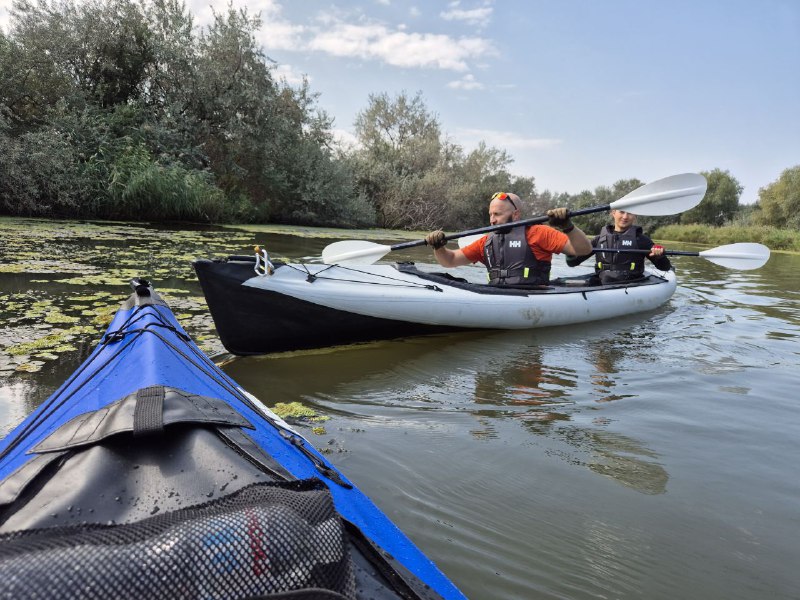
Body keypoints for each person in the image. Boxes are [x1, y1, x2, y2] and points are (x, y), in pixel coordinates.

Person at [424, 192, 592, 288]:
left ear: (516, 214)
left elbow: (583, 250)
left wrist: (567, 226)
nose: (492, 220)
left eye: (497, 214)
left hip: (535, 296)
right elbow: (450, 260)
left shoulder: (539, 233)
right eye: (490, 214)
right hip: (497, 294)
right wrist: (438, 247)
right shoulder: (487, 241)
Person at [566, 209, 672, 284]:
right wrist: (569, 251)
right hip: (603, 281)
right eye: (621, 212)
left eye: (629, 213)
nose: (625, 217)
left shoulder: (642, 240)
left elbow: (665, 267)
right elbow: (572, 262)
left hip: (632, 283)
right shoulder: (599, 239)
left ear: (635, 216)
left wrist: (659, 256)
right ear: (613, 213)